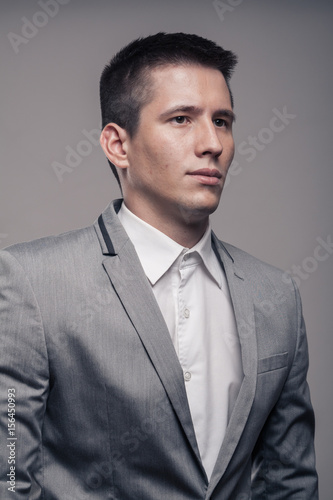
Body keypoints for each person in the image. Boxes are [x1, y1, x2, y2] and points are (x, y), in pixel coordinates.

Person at [0, 32, 318, 499]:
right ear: (118, 145)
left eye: (223, 121)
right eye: (182, 119)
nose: (212, 143)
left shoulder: (277, 296)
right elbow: (8, 476)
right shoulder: (33, 283)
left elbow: (290, 482)